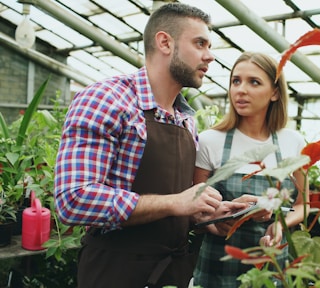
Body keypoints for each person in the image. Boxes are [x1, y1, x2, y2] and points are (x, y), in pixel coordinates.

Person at [53, 3, 244, 288]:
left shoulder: (185, 118)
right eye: (200, 43)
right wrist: (176, 202)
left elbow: (171, 206)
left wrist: (204, 215)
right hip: (116, 273)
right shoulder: (107, 100)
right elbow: (74, 199)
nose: (210, 56)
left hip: (172, 272)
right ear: (165, 42)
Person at [193, 51, 309, 287]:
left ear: (275, 92)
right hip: (218, 263)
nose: (241, 90)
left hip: (271, 262)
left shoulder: (293, 142)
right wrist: (215, 222)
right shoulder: (210, 140)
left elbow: (303, 205)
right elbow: (193, 207)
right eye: (236, 81)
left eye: (253, 82)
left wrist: (279, 225)